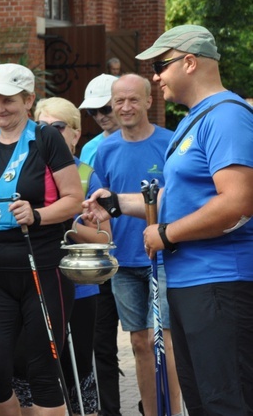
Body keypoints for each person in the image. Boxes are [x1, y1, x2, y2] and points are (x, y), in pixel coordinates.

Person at [85, 25, 253, 416]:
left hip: (219, 284)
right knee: (203, 402)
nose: (156, 75)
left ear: (190, 63)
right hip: (194, 285)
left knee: (225, 402)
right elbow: (175, 197)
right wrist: (115, 203)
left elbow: (239, 202)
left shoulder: (226, 116)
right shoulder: (196, 119)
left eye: (162, 64)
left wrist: (166, 233)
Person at [0, 63, 83, 416]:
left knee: (44, 374)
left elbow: (73, 198)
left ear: (28, 100)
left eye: (8, 100)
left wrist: (39, 214)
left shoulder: (46, 138)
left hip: (42, 266)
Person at [92, 73, 182, 416]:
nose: (125, 107)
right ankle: (151, 410)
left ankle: (171, 411)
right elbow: (101, 204)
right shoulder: (107, 148)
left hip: (163, 257)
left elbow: (182, 199)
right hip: (124, 262)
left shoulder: (170, 143)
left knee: (165, 343)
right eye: (119, 101)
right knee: (140, 343)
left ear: (148, 101)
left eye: (133, 100)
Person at [32, 97, 112, 416]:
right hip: (35, 285)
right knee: (41, 373)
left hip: (78, 288)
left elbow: (103, 238)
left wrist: (66, 220)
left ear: (76, 134)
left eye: (58, 127)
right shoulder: (27, 171)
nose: (50, 134)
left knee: (79, 371)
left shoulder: (85, 174)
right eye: (42, 128)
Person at [77, 72, 123, 415]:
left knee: (147, 342)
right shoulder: (90, 150)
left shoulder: (156, 140)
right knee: (101, 347)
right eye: (94, 112)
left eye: (106, 107)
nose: (102, 116)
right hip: (104, 257)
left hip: (142, 255)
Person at [78, 73, 120, 166]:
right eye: (92, 111)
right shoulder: (89, 149)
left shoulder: (143, 142)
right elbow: (84, 180)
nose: (99, 117)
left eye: (105, 109)